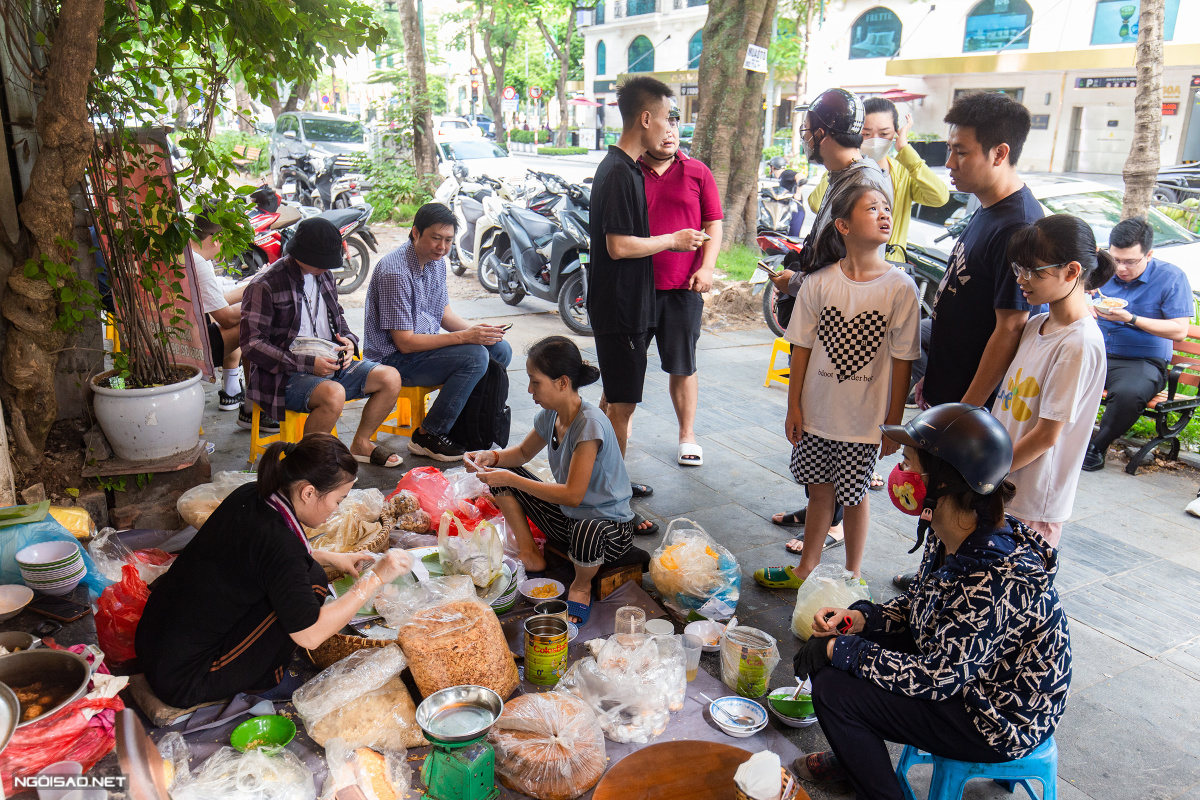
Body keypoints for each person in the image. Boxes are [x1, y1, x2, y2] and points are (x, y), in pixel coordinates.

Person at [790, 405, 1071, 800]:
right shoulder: (953, 531)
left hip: (996, 718)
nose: (899, 474)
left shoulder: (995, 576)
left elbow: (938, 678)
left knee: (836, 687)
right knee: (837, 654)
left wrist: (844, 650)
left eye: (908, 463)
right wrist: (859, 619)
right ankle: (855, 753)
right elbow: (921, 608)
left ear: (943, 482)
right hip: (968, 677)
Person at [136, 434, 413, 707]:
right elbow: (311, 635)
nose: (337, 509)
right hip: (187, 679)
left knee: (311, 571)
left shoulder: (253, 494)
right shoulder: (281, 544)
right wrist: (374, 579)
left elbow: (262, 556)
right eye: (338, 500)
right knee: (313, 581)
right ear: (308, 492)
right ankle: (266, 681)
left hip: (152, 644)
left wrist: (331, 557)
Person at [897, 92, 1043, 592]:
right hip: (949, 388)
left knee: (961, 506)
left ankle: (950, 590)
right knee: (937, 498)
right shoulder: (986, 209)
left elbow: (1010, 326)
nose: (949, 162)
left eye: (961, 151)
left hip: (971, 404)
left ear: (999, 153)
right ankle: (928, 579)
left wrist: (966, 411)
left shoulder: (1019, 225)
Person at [754, 185, 920, 590]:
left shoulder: (900, 288)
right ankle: (804, 569)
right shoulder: (819, 283)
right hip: (816, 414)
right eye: (872, 209)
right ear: (843, 225)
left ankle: (853, 575)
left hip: (864, 421)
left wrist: (894, 421)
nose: (884, 214)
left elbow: (903, 361)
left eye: (886, 208)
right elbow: (802, 349)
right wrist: (794, 407)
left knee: (855, 496)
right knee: (819, 492)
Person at [769, 88, 893, 542]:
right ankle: (820, 515)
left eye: (808, 129)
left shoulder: (864, 184)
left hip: (843, 338)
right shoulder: (845, 175)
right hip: (820, 326)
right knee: (819, 443)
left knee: (837, 438)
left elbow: (853, 277)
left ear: (822, 133)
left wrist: (796, 285)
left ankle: (832, 527)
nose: (804, 136)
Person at [588, 75, 705, 531]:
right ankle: (611, 500)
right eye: (667, 117)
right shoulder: (618, 171)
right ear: (645, 118)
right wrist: (672, 240)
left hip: (627, 304)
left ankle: (607, 478)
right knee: (621, 407)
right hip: (619, 307)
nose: (670, 126)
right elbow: (618, 246)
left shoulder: (629, 167)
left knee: (618, 401)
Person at [466, 337, 635, 626]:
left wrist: (511, 478)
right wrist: (490, 457)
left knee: (587, 529)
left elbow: (572, 495)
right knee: (505, 477)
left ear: (562, 382)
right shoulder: (550, 416)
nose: (530, 390)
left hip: (609, 529)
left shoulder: (589, 424)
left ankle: (581, 587)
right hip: (570, 520)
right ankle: (530, 554)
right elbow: (520, 454)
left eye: (536, 382)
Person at [241, 217, 404, 468]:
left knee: (390, 377)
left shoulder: (324, 276)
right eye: (321, 263)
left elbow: (338, 317)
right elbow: (252, 344)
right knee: (332, 394)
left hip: (328, 362)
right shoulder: (265, 284)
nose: (325, 268)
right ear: (300, 253)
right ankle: (309, 466)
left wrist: (349, 342)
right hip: (282, 375)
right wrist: (307, 364)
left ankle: (360, 442)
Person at [993, 216, 1114, 547]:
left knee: (1014, 592)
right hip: (1005, 486)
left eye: (1033, 270)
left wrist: (987, 474)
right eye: (1018, 267)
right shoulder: (1037, 324)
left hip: (1032, 499)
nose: (1021, 279)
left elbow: (1046, 436)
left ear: (1072, 271)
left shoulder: (1078, 343)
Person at [364, 202, 511, 461]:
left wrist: (481, 331)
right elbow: (405, 343)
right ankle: (429, 435)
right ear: (415, 233)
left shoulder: (436, 264)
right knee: (475, 356)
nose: (442, 247)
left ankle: (466, 425)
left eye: (448, 240)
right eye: (435, 238)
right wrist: (466, 338)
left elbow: (444, 315)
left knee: (499, 348)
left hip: (424, 350)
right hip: (393, 361)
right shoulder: (395, 271)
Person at [638, 104, 724, 467]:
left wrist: (707, 268)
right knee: (625, 364)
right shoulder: (628, 171)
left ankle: (687, 435)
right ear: (644, 125)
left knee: (683, 365)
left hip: (683, 288)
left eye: (675, 123)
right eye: (664, 124)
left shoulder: (697, 171)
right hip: (637, 288)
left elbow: (714, 223)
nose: (671, 131)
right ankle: (616, 432)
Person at [1083, 217, 1193, 471]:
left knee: (1128, 394)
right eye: (1116, 260)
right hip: (1096, 350)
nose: (1121, 268)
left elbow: (1179, 331)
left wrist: (1131, 318)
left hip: (1141, 361)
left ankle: (1097, 446)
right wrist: (1084, 301)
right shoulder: (1100, 269)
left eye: (1130, 262)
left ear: (1149, 254)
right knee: (1058, 372)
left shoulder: (1171, 278)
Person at [807, 96, 949, 260]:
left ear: (896, 133)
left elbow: (939, 197)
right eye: (866, 133)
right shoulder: (845, 169)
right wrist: (843, 160)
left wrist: (905, 151)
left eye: (884, 133)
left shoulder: (903, 172)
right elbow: (816, 204)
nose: (875, 140)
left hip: (889, 270)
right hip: (847, 268)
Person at [187, 216, 256, 419]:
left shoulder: (186, 253)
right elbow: (225, 317)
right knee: (252, 324)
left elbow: (215, 302)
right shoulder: (197, 262)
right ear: (217, 238)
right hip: (193, 350)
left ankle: (232, 391)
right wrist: (256, 293)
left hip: (177, 341)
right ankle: (252, 407)